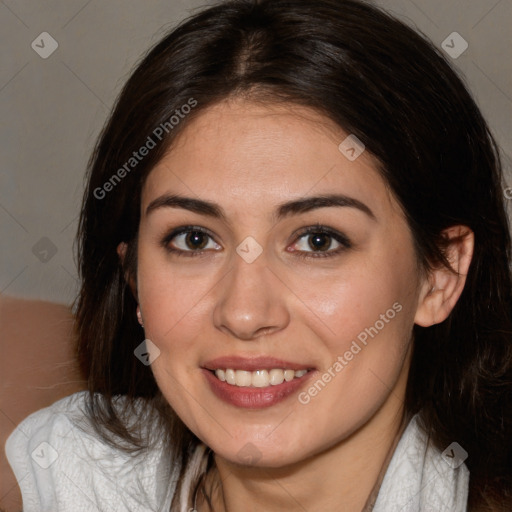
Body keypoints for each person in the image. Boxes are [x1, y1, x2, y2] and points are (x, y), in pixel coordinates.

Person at [5, 0, 512, 510]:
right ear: (133, 276)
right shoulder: (71, 479)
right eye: (194, 239)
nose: (244, 313)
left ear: (441, 275)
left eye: (318, 240)